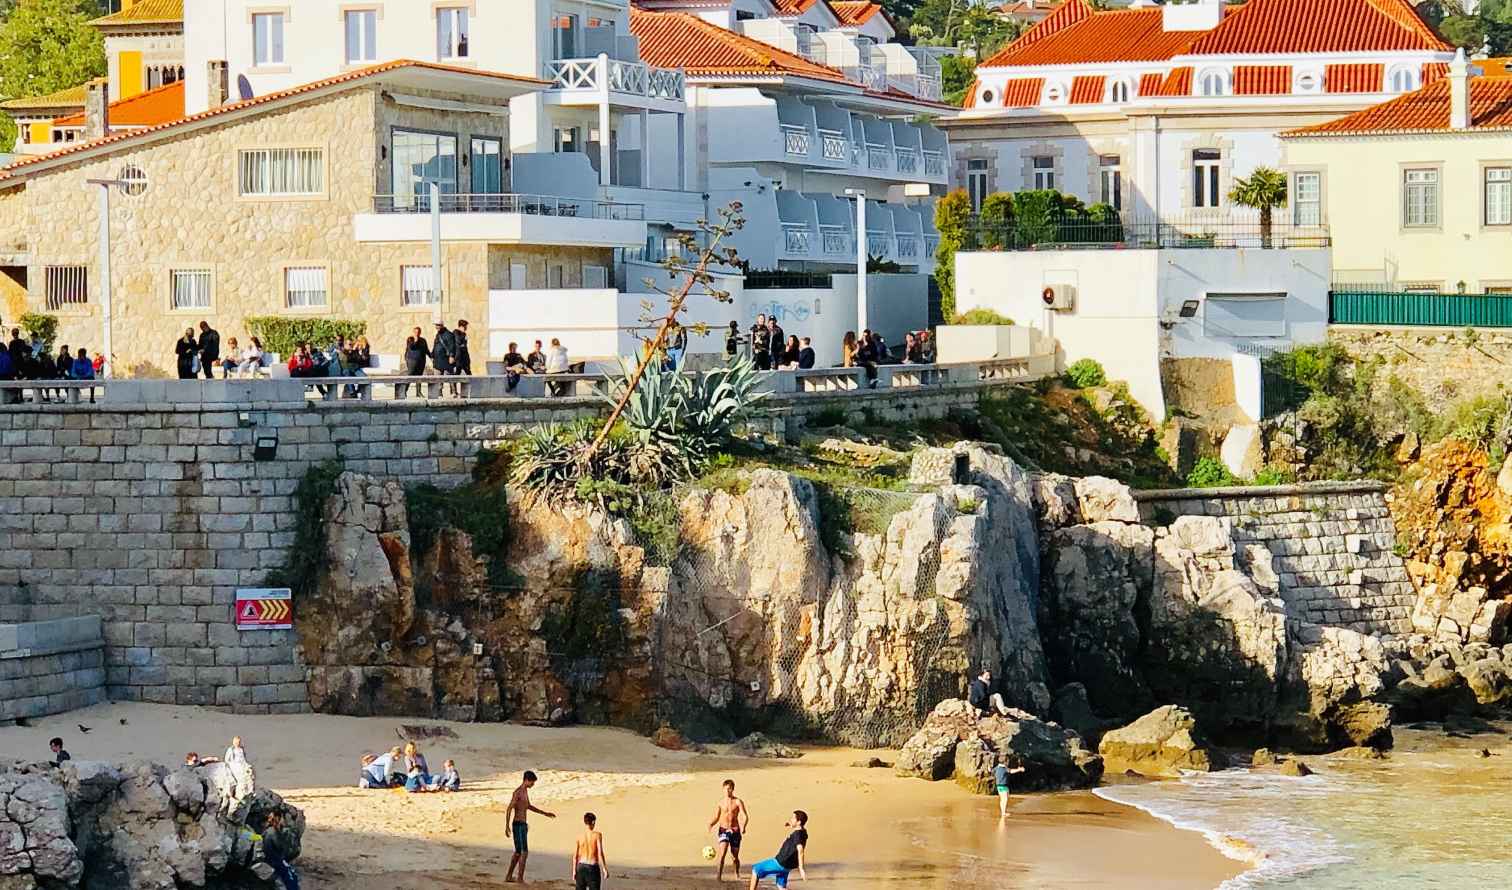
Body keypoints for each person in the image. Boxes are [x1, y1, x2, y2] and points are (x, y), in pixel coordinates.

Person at [504, 770, 556, 884]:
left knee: (518, 852)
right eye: (532, 782)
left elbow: (528, 806)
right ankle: (520, 878)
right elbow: (509, 808)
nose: (533, 784)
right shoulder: (518, 792)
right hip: (518, 825)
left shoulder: (525, 792)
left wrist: (545, 813)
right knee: (524, 852)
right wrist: (507, 826)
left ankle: (509, 876)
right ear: (527, 780)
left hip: (521, 824)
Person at [749, 811, 808, 890]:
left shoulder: (797, 835)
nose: (791, 819)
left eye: (793, 818)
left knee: (756, 869)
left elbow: (800, 851)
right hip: (788, 866)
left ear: (799, 822)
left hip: (780, 862)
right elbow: (800, 829)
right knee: (781, 886)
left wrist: (801, 868)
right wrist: (790, 824)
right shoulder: (803, 832)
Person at [708, 778, 750, 880]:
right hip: (723, 830)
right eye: (725, 789)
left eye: (729, 789)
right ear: (723, 789)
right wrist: (711, 824)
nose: (727, 791)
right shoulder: (720, 803)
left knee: (734, 857)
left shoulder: (738, 802)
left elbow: (745, 816)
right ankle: (718, 877)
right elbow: (717, 817)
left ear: (733, 789)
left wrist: (744, 826)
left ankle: (736, 873)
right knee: (722, 854)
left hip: (735, 830)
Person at [262, 809, 300, 890]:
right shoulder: (271, 832)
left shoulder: (271, 831)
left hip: (274, 859)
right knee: (291, 879)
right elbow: (280, 848)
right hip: (275, 860)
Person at [572, 812, 609, 890]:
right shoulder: (597, 835)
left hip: (581, 867)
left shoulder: (579, 836)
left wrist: (574, 871)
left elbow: (575, 856)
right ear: (593, 822)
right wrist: (604, 869)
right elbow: (600, 853)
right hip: (592, 867)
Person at [994, 754, 1027, 818]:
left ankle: (1003, 811)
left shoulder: (997, 767)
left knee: (1002, 799)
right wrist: (1019, 770)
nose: (1008, 763)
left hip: (998, 785)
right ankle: (1003, 813)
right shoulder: (1004, 768)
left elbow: (992, 771)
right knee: (1005, 799)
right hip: (1003, 786)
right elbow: (1011, 771)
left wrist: (989, 769)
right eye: (1007, 761)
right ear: (1005, 762)